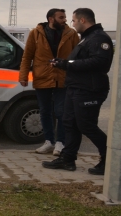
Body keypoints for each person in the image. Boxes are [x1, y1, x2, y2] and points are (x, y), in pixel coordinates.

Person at [42, 8, 113, 175]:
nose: (72, 24)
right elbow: (80, 61)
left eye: (73, 20)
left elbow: (100, 63)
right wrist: (63, 62)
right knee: (70, 124)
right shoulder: (87, 39)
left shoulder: (99, 38)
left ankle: (109, 159)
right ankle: (68, 159)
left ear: (82, 20)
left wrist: (67, 65)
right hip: (76, 88)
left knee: (86, 126)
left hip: (90, 90)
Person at [19, 8, 79, 156]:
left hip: (63, 78)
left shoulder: (71, 34)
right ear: (51, 19)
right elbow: (27, 56)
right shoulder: (36, 33)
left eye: (65, 17)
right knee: (45, 111)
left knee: (61, 111)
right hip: (42, 77)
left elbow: (78, 56)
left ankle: (60, 142)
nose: (65, 20)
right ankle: (49, 141)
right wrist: (23, 76)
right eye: (61, 17)